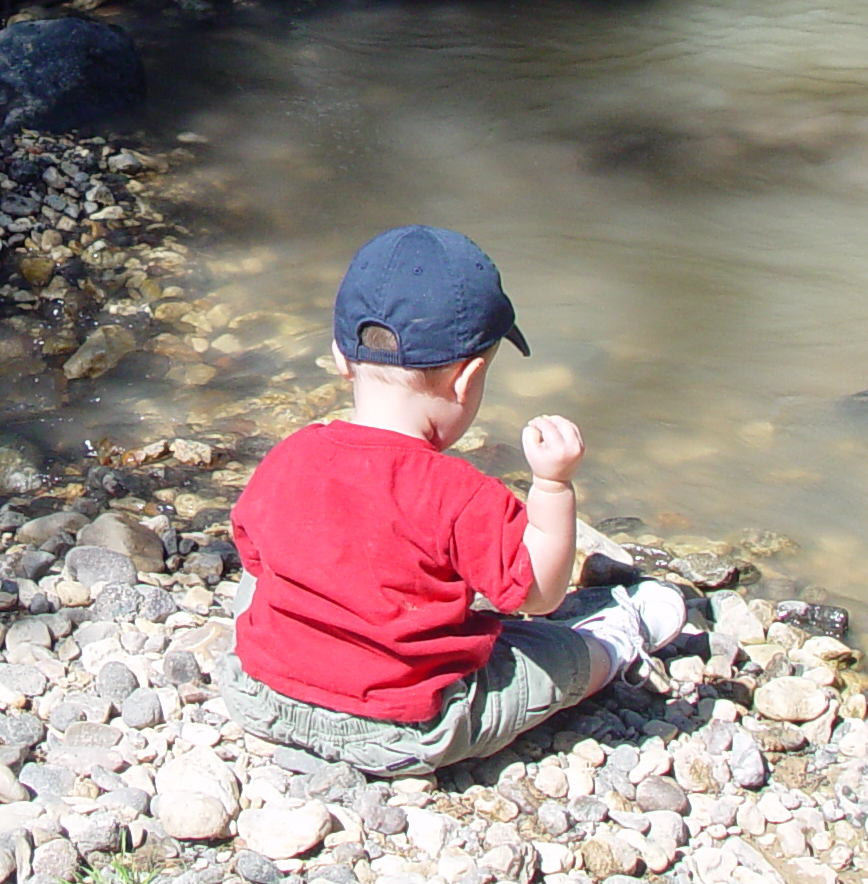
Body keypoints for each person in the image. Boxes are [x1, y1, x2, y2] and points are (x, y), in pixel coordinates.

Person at [218, 225, 686, 775]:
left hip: (260, 698)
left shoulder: (289, 456)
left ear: (342, 360)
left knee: (271, 572)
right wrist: (554, 487)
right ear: (468, 380)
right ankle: (617, 639)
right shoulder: (456, 493)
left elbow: (253, 554)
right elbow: (537, 593)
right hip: (401, 731)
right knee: (548, 662)